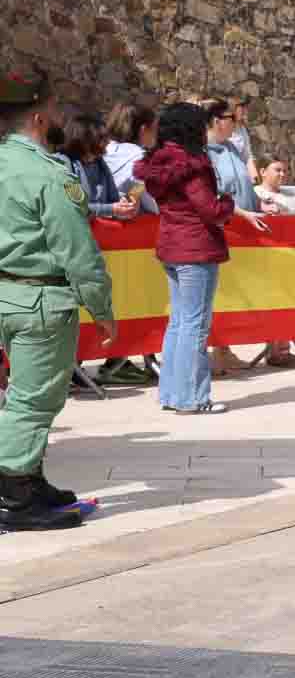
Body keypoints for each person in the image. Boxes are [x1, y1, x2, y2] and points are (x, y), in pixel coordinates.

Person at [0, 69, 118, 525]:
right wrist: (101, 307)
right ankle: (17, 495)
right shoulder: (49, 174)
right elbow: (77, 251)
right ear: (37, 116)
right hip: (40, 299)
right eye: (51, 107)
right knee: (34, 401)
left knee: (24, 395)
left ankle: (28, 478)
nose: (56, 115)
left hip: (7, 294)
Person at [137, 102, 268, 416]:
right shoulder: (192, 164)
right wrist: (228, 202)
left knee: (179, 323)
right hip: (196, 247)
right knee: (195, 325)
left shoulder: (159, 162)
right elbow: (210, 209)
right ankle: (193, 398)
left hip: (171, 244)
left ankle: (172, 393)